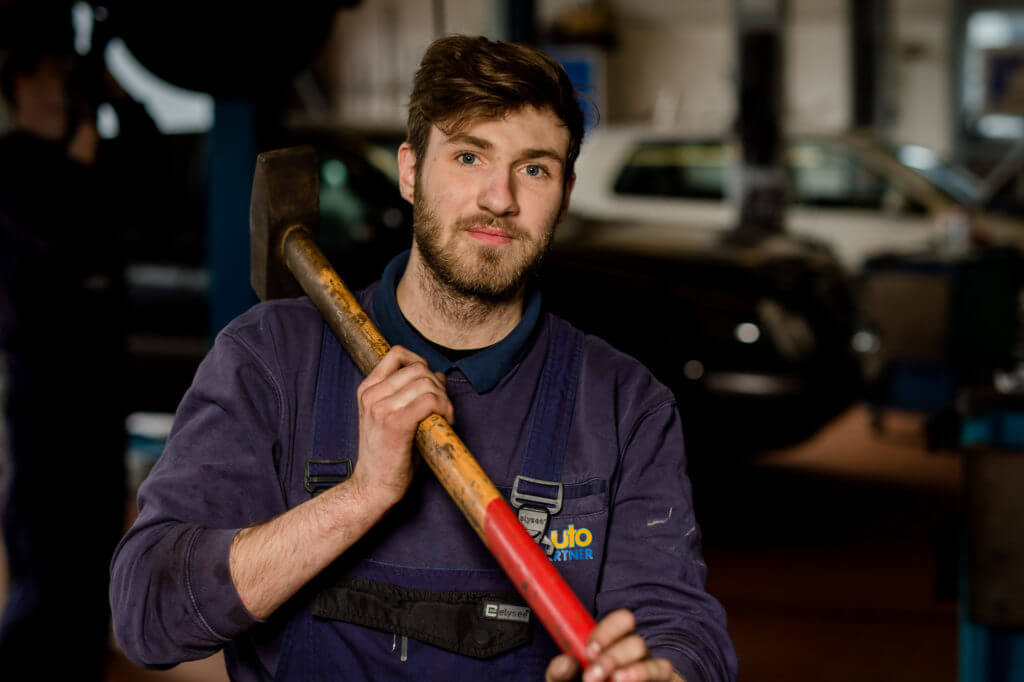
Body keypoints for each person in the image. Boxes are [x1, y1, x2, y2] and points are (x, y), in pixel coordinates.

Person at [110, 35, 738, 682]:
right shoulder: (269, 360)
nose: (500, 198)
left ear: (567, 191)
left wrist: (662, 672)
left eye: (534, 169)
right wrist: (361, 496)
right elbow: (148, 615)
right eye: (469, 156)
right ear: (410, 172)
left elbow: (681, 628)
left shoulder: (622, 403)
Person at [0, 41, 128, 680]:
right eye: (51, 67)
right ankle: (28, 654)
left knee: (98, 527)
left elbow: (157, 161)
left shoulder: (88, 149)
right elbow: (49, 235)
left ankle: (79, 654)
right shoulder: (11, 163)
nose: (63, 79)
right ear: (19, 81)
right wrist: (78, 161)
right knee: (46, 529)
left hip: (98, 377)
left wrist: (114, 90)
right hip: (44, 380)